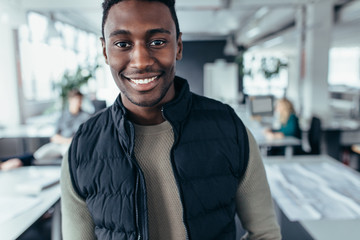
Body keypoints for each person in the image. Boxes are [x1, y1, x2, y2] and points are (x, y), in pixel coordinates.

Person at [61, 1, 281, 239]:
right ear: (105, 51)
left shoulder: (229, 128)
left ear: (178, 46)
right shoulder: (83, 148)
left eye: (157, 42)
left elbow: (264, 234)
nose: (141, 61)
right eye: (122, 44)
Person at [34, 89, 90, 160]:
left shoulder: (86, 117)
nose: (78, 103)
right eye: (76, 100)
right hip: (59, 144)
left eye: (80, 101)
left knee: (68, 156)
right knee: (39, 154)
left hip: (74, 146)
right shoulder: (62, 116)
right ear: (70, 100)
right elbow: (54, 137)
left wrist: (72, 141)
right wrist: (67, 140)